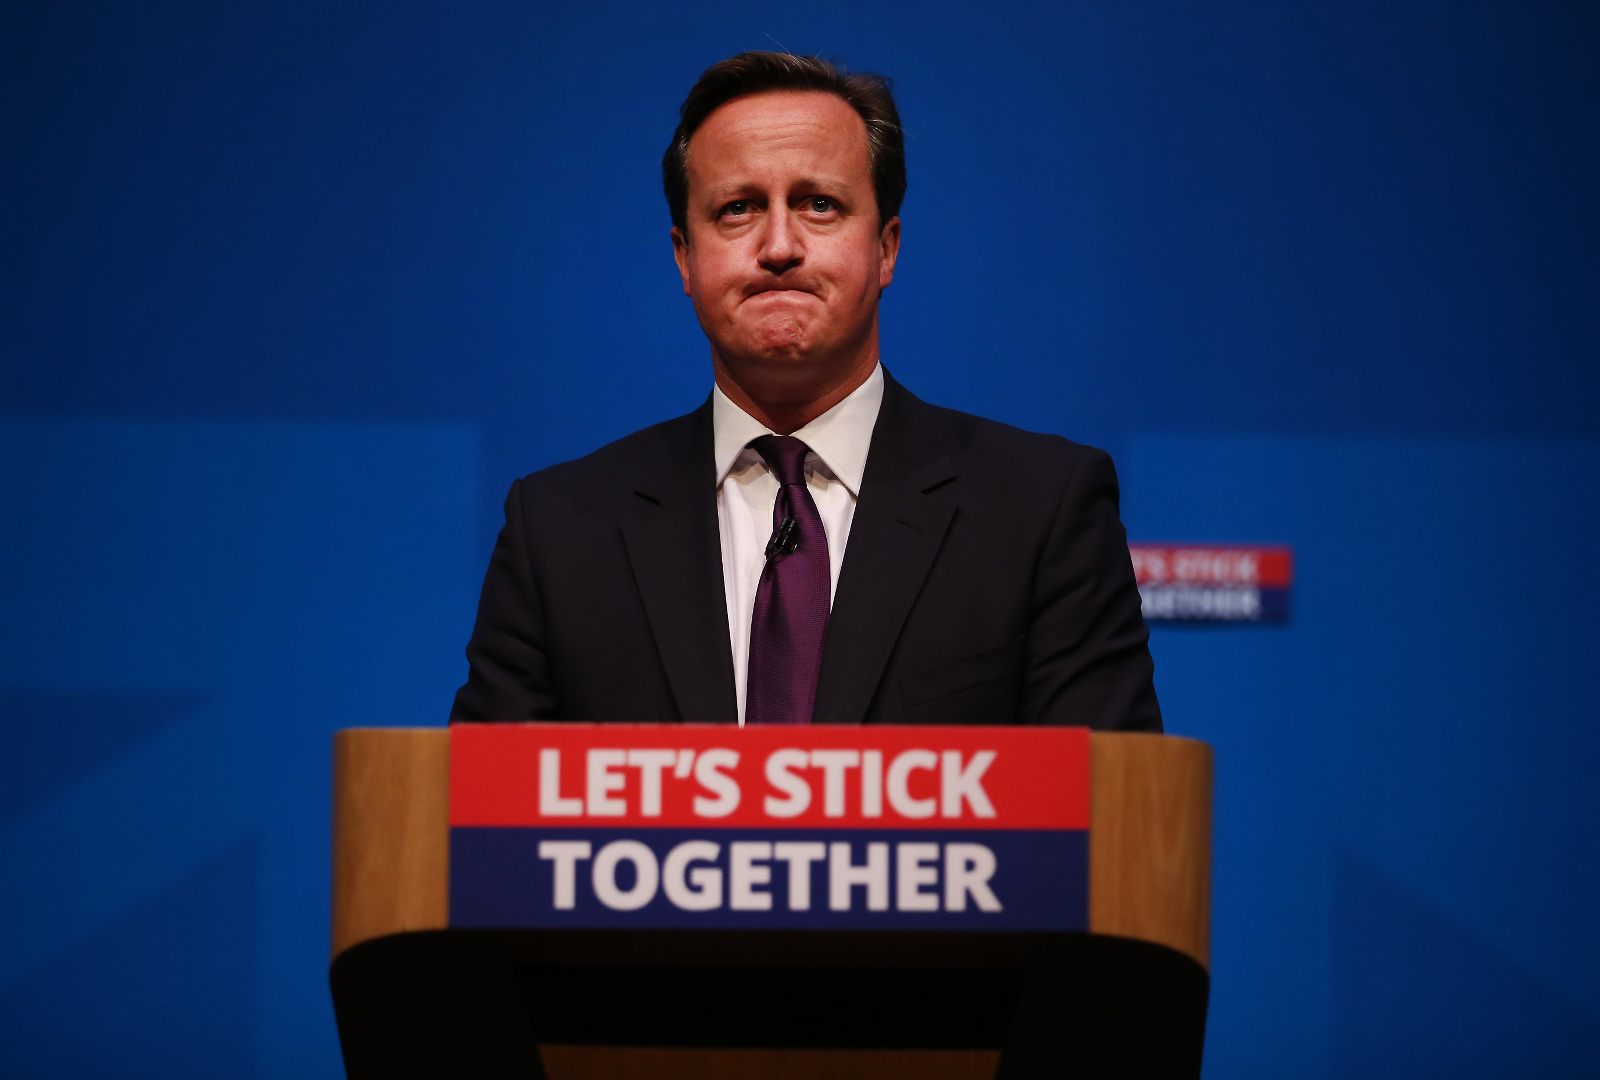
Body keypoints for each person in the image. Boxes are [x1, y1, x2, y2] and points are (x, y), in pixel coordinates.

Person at [450, 52, 1160, 731]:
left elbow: (1112, 821)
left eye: (819, 204)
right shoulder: (560, 532)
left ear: (885, 248)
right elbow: (483, 826)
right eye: (737, 208)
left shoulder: (1040, 511)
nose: (780, 245)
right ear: (684, 257)